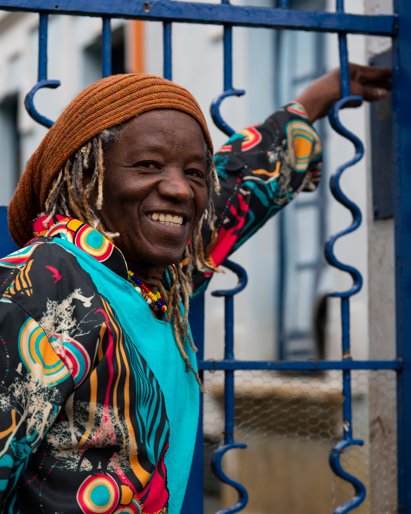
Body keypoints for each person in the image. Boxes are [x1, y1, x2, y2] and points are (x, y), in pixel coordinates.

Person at [0, 64, 390, 514]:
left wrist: (316, 100)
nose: (180, 190)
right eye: (148, 165)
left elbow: (243, 186)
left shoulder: (152, 280)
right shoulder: (42, 282)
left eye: (196, 173)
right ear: (88, 177)